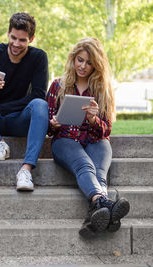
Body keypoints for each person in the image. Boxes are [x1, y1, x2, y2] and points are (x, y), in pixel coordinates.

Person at [46, 37, 130, 238]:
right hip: (65, 140)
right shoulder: (58, 85)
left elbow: (106, 130)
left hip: (96, 140)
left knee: (100, 175)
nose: (83, 66)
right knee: (85, 166)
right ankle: (107, 208)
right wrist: (53, 123)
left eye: (89, 62)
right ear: (73, 59)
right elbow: (48, 127)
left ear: (97, 65)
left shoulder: (103, 90)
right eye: (80, 60)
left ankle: (96, 216)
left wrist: (93, 119)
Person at [0, 12, 49, 191]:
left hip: (19, 120)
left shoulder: (38, 57)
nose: (16, 44)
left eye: (22, 40)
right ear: (8, 33)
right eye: (13, 38)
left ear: (32, 39)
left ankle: (26, 170)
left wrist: (0, 108)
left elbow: (38, 94)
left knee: (40, 105)